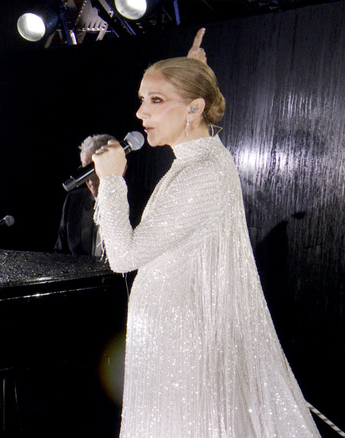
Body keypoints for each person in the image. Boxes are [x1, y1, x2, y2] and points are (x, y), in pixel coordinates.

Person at [91, 29, 321, 437]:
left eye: (155, 101)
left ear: (194, 109)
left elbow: (123, 257)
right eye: (143, 99)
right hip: (167, 340)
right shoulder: (199, 160)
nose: (141, 113)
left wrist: (111, 183)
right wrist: (193, 70)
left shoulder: (202, 174)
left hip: (181, 347)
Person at [54, 134, 116, 257]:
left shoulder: (139, 201)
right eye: (85, 171)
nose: (90, 179)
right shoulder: (74, 201)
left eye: (94, 169)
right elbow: (60, 255)